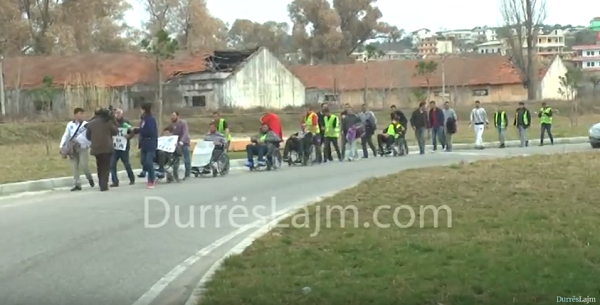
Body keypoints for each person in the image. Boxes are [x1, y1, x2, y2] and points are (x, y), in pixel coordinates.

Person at [60, 107, 95, 191]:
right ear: (75, 115)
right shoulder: (70, 124)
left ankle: (89, 177)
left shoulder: (86, 125)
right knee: (74, 166)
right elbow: (66, 135)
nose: (81, 115)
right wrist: (62, 145)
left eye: (82, 114)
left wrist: (88, 144)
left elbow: (90, 136)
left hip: (83, 147)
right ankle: (77, 184)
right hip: (72, 148)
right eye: (80, 114)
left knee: (84, 165)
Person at [86, 107, 118, 192]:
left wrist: (94, 139)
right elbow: (115, 132)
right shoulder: (107, 122)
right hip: (106, 147)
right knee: (106, 166)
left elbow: (88, 136)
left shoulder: (91, 123)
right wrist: (113, 119)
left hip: (96, 147)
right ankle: (104, 184)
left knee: (99, 165)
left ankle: (101, 182)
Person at [132, 102, 158, 188]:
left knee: (149, 162)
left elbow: (150, 132)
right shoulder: (143, 119)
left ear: (144, 110)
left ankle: (151, 179)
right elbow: (142, 129)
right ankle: (151, 173)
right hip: (144, 143)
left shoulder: (150, 119)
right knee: (143, 161)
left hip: (150, 143)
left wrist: (139, 131)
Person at [110, 109, 135, 187]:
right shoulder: (112, 123)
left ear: (122, 114)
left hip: (124, 147)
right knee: (112, 164)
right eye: (116, 113)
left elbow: (132, 131)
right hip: (115, 147)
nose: (117, 115)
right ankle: (115, 181)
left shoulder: (125, 123)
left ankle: (131, 178)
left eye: (119, 113)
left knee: (126, 163)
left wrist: (128, 136)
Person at [164, 111, 191, 180]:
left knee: (186, 159)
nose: (172, 117)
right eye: (171, 116)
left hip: (184, 143)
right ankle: (174, 175)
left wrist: (182, 141)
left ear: (177, 116)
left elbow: (185, 133)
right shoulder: (171, 124)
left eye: (174, 115)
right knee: (175, 159)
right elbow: (167, 130)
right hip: (176, 144)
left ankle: (187, 174)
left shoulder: (183, 123)